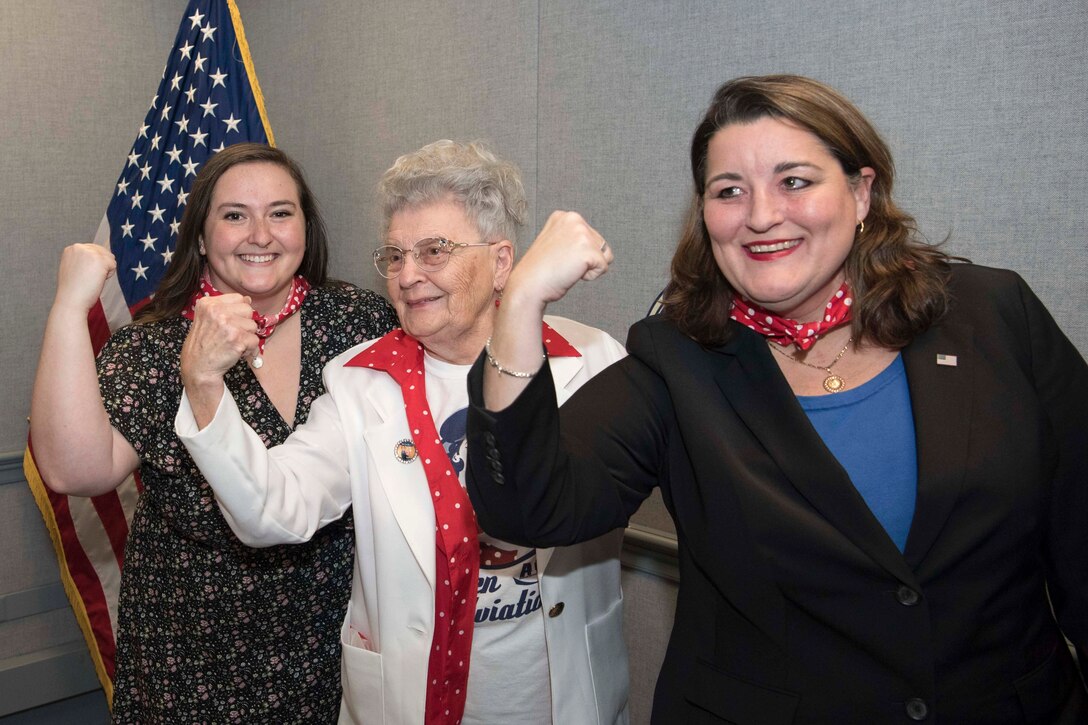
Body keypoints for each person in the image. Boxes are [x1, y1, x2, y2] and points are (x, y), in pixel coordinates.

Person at [465, 75, 1088, 724]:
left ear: (861, 191)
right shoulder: (675, 360)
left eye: (795, 181)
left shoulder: (994, 315)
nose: (760, 215)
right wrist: (523, 303)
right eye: (729, 191)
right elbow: (525, 506)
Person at [174, 140, 630, 725]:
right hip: (409, 701)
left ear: (500, 262)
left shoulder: (589, 360)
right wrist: (205, 385)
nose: (408, 275)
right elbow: (272, 512)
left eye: (434, 251)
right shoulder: (359, 380)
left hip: (561, 695)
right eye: (394, 255)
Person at [30, 143, 399, 723]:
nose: (261, 234)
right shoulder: (154, 346)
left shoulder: (358, 322)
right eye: (234, 215)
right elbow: (75, 470)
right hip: (190, 655)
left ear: (306, 226)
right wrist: (68, 305)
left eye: (281, 212)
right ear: (201, 237)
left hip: (332, 641)